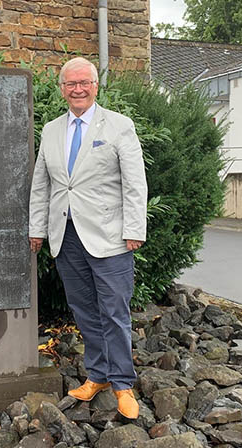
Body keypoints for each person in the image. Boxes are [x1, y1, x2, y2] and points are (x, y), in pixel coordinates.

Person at [29, 57, 148, 419]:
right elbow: (42, 184)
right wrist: (37, 228)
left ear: (96, 86)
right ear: (61, 88)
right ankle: (97, 375)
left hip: (110, 237)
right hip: (65, 236)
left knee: (114, 311)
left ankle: (123, 384)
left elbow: (135, 181)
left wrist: (134, 229)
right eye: (70, 84)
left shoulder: (118, 126)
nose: (77, 89)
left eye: (84, 83)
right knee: (84, 310)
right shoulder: (51, 130)